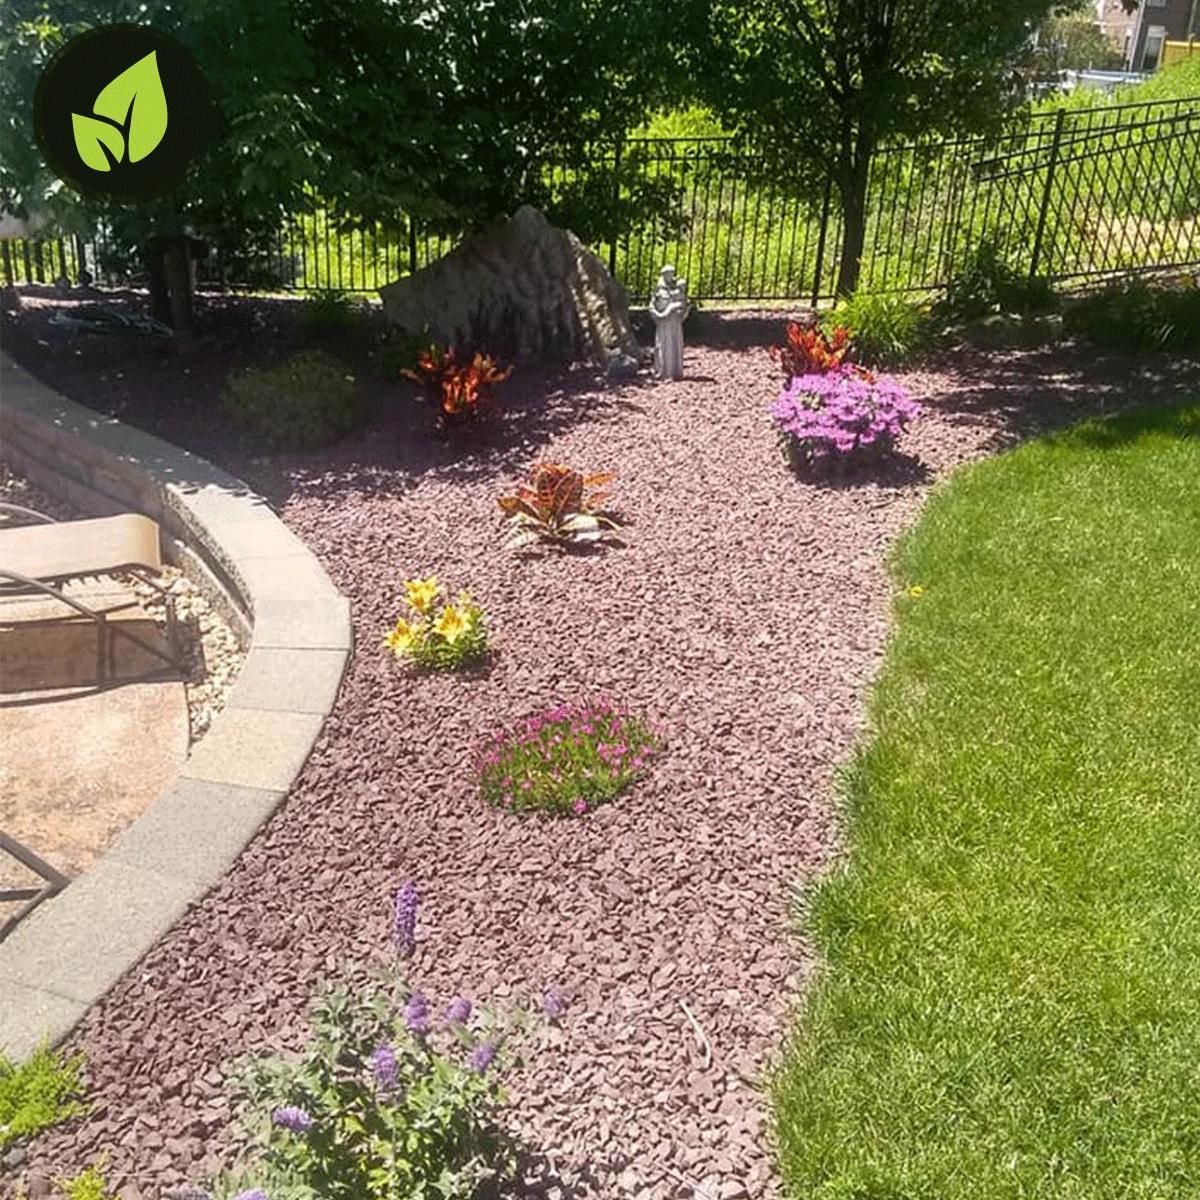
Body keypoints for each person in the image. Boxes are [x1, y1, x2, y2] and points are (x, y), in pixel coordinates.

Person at [648, 264, 689, 380]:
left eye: (672, 274)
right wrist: (658, 314)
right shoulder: (658, 290)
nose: (671, 277)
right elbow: (652, 306)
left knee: (675, 345)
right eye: (669, 274)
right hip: (664, 323)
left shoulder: (677, 288)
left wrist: (683, 310)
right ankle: (663, 370)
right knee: (663, 346)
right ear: (664, 275)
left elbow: (683, 304)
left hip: (675, 322)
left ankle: (675, 371)